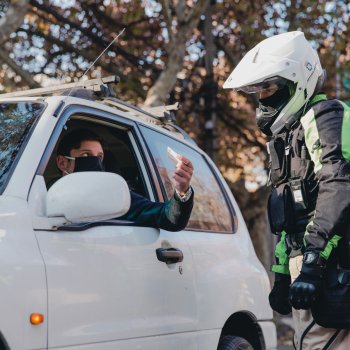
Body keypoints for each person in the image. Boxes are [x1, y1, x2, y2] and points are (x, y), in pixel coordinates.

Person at [223, 31, 350, 349]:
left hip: (331, 264)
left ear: (296, 81)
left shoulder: (325, 117)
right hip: (309, 263)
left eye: (269, 86)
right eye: (258, 89)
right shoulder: (285, 139)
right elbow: (289, 214)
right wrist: (281, 274)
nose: (262, 97)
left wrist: (313, 262)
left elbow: (339, 188)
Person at [51, 128, 194, 231]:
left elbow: (167, 217)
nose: (95, 162)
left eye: (99, 157)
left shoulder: (113, 196)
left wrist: (182, 190)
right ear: (62, 162)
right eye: (86, 156)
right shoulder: (38, 193)